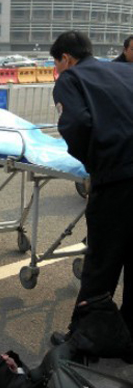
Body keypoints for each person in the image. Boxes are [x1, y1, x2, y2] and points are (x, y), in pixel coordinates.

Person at [50, 30, 133, 342]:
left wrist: (94, 165)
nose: (57, 69)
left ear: (66, 59)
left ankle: (85, 338)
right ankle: (127, 335)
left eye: (56, 63)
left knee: (101, 262)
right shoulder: (124, 71)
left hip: (117, 180)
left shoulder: (70, 80)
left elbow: (76, 124)